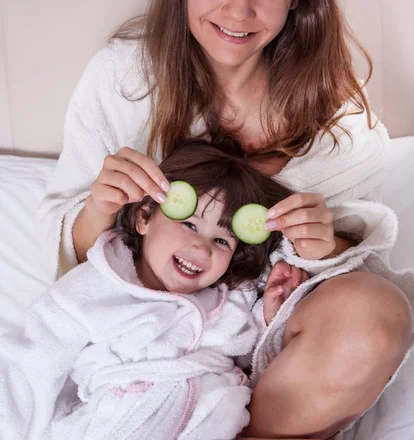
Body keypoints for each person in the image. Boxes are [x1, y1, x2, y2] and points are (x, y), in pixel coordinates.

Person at [38, 0, 412, 439]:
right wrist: (97, 208)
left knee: (378, 314)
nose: (239, 12)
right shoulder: (124, 80)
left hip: (268, 350)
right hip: (144, 349)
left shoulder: (342, 126)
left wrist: (323, 245)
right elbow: (67, 261)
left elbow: (343, 264)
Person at [0, 140, 309, 440]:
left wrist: (269, 316)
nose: (201, 248)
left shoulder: (227, 303)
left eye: (221, 241)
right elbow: (28, 368)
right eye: (189, 224)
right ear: (144, 217)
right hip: (119, 420)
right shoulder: (92, 290)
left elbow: (255, 362)